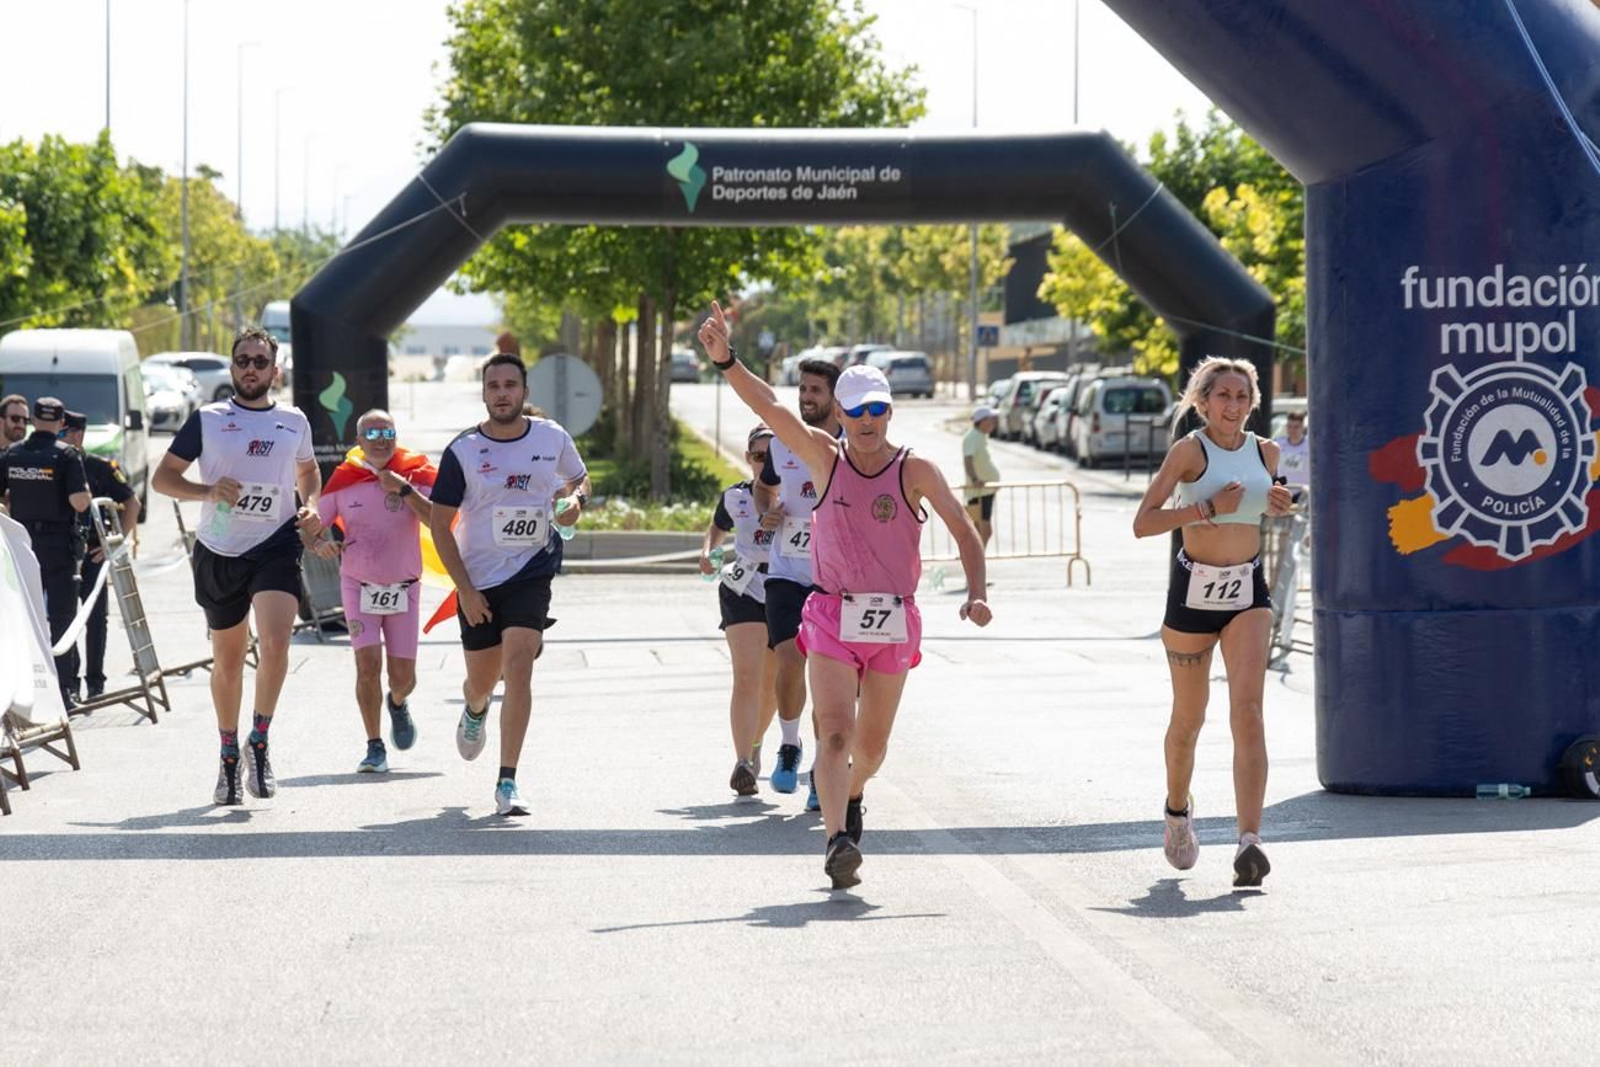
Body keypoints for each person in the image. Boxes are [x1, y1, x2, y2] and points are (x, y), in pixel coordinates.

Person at [700, 301, 993, 890]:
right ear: (839, 412)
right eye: (855, 411)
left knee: (873, 746)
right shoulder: (823, 459)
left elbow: (963, 530)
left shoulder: (917, 470)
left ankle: (854, 791)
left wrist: (977, 593)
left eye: (877, 410)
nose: (866, 421)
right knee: (833, 731)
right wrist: (727, 360)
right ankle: (837, 841)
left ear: (890, 411)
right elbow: (771, 408)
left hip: (891, 621)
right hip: (832, 614)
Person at [1132, 356, 1293, 888]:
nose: (1233, 405)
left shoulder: (1265, 451)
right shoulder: (1189, 451)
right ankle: (1177, 811)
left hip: (1247, 588)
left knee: (1248, 711)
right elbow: (1144, 522)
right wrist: (1202, 511)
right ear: (1203, 402)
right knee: (1190, 718)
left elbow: (1266, 508)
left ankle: (1250, 841)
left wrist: (1277, 505)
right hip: (1193, 591)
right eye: (1222, 395)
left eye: (1242, 397)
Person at [152, 326, 325, 806]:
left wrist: (309, 504)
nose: (251, 368)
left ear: (276, 370)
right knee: (228, 660)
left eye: (260, 361)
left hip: (275, 543)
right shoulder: (208, 418)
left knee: (274, 642)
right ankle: (229, 753)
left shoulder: (293, 421)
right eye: (243, 360)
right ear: (233, 369)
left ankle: (260, 740)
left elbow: (308, 471)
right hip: (219, 548)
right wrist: (208, 492)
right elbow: (163, 478)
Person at [429, 353, 591, 816]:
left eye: (510, 385)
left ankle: (507, 782)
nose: (502, 393)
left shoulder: (551, 437)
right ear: (484, 394)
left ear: (524, 392)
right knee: (482, 680)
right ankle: (475, 707)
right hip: (478, 579)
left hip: (530, 571)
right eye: (494, 386)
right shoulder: (463, 451)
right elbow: (441, 526)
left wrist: (574, 499)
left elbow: (579, 480)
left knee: (519, 665)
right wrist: (465, 589)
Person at [315, 409, 436, 773]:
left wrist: (402, 488)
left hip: (404, 587)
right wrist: (319, 543)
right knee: (366, 666)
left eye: (387, 431)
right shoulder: (343, 479)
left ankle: (397, 703)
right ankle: (374, 746)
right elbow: (313, 529)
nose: (381, 438)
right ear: (359, 441)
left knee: (403, 678)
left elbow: (437, 519)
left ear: (396, 436)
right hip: (358, 585)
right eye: (372, 432)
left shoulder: (414, 474)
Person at [753, 354, 842, 810]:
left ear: (835, 399)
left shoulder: (852, 447)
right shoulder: (783, 442)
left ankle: (826, 768)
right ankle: (790, 745)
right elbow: (764, 486)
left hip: (837, 580)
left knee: (833, 682)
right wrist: (767, 508)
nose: (807, 398)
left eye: (816, 391)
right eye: (803, 390)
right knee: (789, 657)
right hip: (787, 570)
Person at [699, 424, 780, 795]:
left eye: (774, 456)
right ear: (749, 459)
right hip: (743, 585)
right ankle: (742, 762)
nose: (766, 464)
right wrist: (707, 553)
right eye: (759, 456)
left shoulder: (801, 496)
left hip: (786, 589)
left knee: (774, 685)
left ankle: (757, 742)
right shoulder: (735, 496)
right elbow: (717, 529)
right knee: (746, 677)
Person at [0, 397, 91, 709]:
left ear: (33, 419)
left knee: (21, 620)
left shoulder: (12, 453)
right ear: (61, 422)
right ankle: (63, 693)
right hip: (58, 549)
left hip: (21, 546)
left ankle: (21, 692)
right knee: (62, 620)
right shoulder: (65, 455)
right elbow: (80, 502)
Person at [61, 410, 141, 701]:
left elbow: (132, 501)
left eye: (64, 432)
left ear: (78, 435)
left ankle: (95, 681)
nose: (60, 438)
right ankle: (70, 680)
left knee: (96, 619)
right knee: (64, 619)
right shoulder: (56, 462)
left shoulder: (98, 467)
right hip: (64, 553)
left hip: (93, 553)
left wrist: (115, 545)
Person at [962, 405, 1001, 549]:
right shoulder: (972, 437)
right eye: (991, 419)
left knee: (983, 530)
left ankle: (979, 557)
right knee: (981, 529)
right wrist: (974, 479)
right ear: (983, 421)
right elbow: (968, 460)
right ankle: (977, 559)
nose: (994, 423)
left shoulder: (980, 436)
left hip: (986, 491)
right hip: (978, 491)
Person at [1272, 410, 1310, 496]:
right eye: (1289, 426)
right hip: (1283, 490)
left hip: (1303, 492)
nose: (1292, 430)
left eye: (1296, 427)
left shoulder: (1310, 445)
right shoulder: (1278, 443)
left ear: (1303, 427)